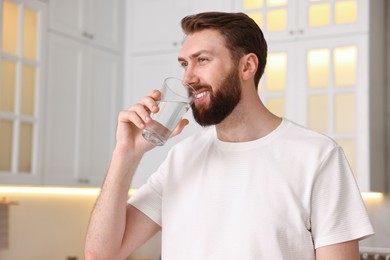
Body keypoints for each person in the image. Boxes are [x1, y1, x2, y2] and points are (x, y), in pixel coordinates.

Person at [85, 12, 374, 260]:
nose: (188, 78)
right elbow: (101, 255)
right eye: (185, 63)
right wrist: (126, 153)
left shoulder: (317, 155)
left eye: (202, 60)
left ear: (247, 66)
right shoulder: (181, 159)